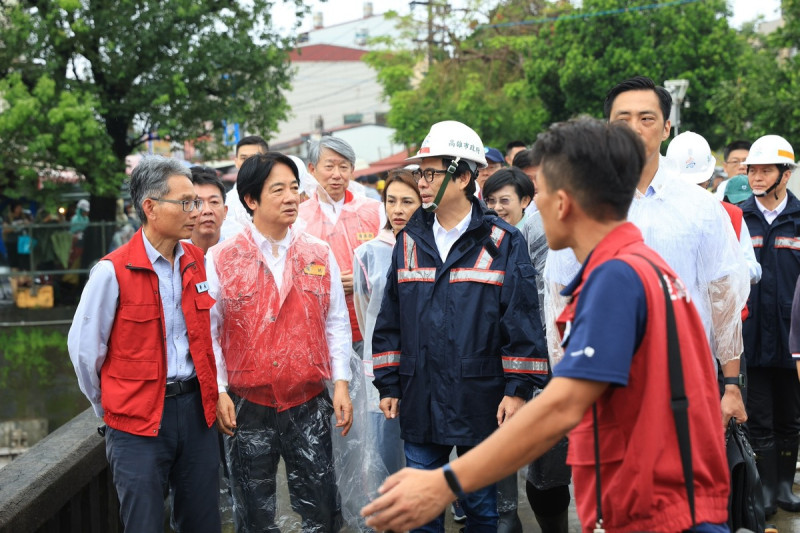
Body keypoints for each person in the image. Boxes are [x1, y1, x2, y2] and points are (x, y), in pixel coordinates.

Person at [362, 116, 731, 533]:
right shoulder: (640, 267)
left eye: (540, 192)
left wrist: (446, 484)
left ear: (565, 200)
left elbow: (561, 408)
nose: (531, 206)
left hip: (658, 509)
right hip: (658, 498)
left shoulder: (616, 279)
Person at [371, 120, 548, 532]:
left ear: (464, 175)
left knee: (483, 510)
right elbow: (391, 317)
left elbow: (521, 320)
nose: (422, 183)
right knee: (421, 511)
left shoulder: (502, 241)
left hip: (479, 398)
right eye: (420, 173)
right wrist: (389, 383)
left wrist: (517, 390)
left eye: (431, 173)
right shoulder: (410, 240)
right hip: (419, 394)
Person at [544, 76, 750, 426]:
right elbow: (558, 298)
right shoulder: (581, 207)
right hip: (604, 385)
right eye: (622, 120)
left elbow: (724, 297)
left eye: (647, 118)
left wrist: (731, 385)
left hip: (687, 381)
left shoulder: (701, 207)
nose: (634, 129)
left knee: (684, 478)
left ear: (667, 128)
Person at [68, 155, 220, 532]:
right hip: (136, 422)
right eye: (185, 202)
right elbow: (86, 352)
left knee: (203, 521)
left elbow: (206, 335)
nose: (196, 211)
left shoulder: (196, 260)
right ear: (150, 207)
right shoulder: (111, 271)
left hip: (197, 411)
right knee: (144, 524)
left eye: (197, 201)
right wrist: (112, 410)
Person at [210, 152, 353, 532]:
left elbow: (336, 322)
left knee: (321, 506)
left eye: (294, 188)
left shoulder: (318, 253)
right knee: (253, 511)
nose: (291, 197)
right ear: (251, 200)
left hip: (307, 400)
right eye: (279, 189)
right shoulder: (221, 257)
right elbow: (210, 331)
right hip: (246, 403)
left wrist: (341, 383)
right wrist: (220, 389)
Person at [739, 134, 800, 516]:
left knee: (791, 415)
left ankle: (783, 487)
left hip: (792, 338)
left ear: (785, 174)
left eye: (765, 170)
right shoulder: (737, 216)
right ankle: (762, 490)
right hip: (750, 337)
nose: (757, 177)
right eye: (752, 170)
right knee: (758, 416)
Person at [353, 168, 421, 481]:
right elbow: (364, 309)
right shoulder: (367, 254)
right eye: (390, 201)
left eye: (407, 201)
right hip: (383, 366)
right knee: (386, 448)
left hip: (425, 364)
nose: (397, 209)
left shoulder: (433, 250)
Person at [299, 136, 384, 354]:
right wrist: (329, 281)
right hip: (320, 329)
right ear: (312, 169)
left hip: (371, 324)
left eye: (344, 167)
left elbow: (389, 262)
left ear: (352, 170)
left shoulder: (374, 211)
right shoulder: (298, 217)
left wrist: (362, 279)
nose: (337, 174)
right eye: (329, 166)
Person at [221, 135, 269, 237]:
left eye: (254, 157)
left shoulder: (278, 197)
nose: (248, 163)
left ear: (267, 160)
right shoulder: (226, 203)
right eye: (244, 158)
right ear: (236, 162)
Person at [188, 166, 235, 254]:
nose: (207, 211)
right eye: (198, 203)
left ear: (225, 211)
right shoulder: (175, 256)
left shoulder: (237, 253)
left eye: (214, 202)